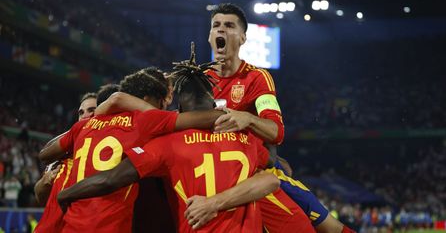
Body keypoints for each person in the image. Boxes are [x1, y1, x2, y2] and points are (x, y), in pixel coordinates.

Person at [57, 58, 280, 232]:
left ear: (179, 109)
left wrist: (67, 193)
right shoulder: (246, 138)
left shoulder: (166, 144)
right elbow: (277, 169)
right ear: (213, 101)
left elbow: (110, 179)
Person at [206, 3, 351, 233]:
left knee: (325, 223)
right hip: (212, 176)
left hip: (255, 177)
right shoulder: (198, 82)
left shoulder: (257, 78)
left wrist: (248, 119)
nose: (221, 30)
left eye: (229, 25)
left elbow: (276, 131)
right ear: (210, 36)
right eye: (216, 26)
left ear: (242, 38)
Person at [38, 67, 224, 232]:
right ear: (146, 100)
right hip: (109, 227)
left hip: (71, 224)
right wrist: (234, 115)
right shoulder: (144, 121)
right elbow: (202, 118)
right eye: (160, 103)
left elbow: (45, 154)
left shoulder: (83, 126)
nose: (162, 108)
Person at [34, 85, 120, 233]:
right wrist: (44, 182)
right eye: (81, 112)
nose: (85, 115)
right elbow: (40, 198)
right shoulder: (62, 155)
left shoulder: (110, 152)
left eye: (91, 110)